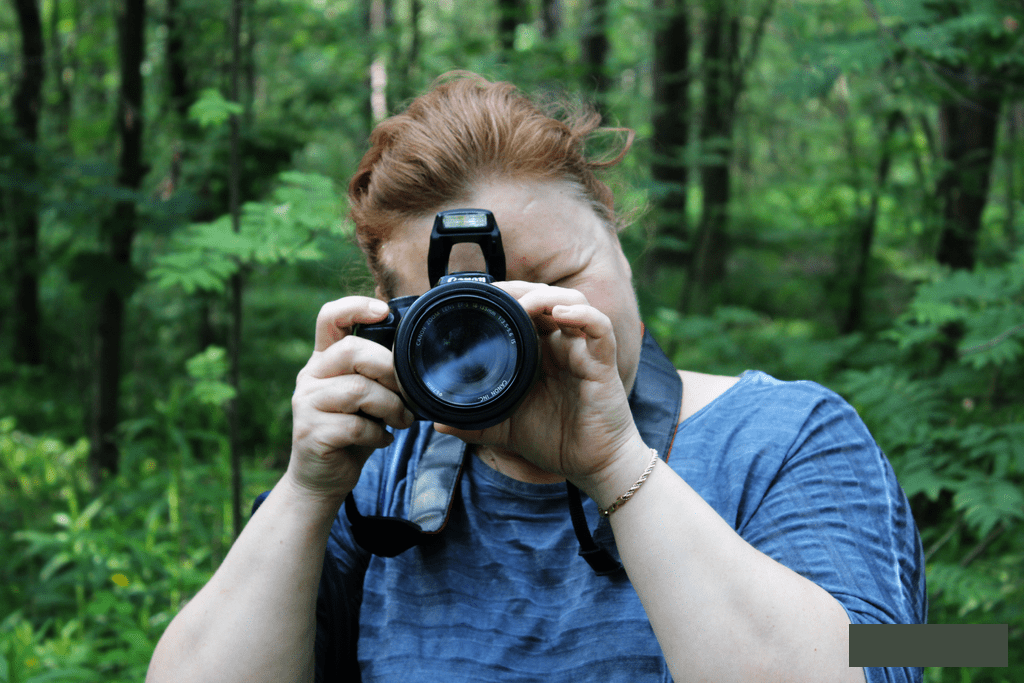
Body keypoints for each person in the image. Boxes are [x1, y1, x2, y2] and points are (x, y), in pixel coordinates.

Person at [146, 72, 927, 683]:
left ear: (618, 239)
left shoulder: (790, 436)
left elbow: (908, 654)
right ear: (393, 321)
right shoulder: (378, 482)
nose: (526, 325)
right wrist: (305, 491)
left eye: (555, 278)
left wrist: (617, 465)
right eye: (469, 310)